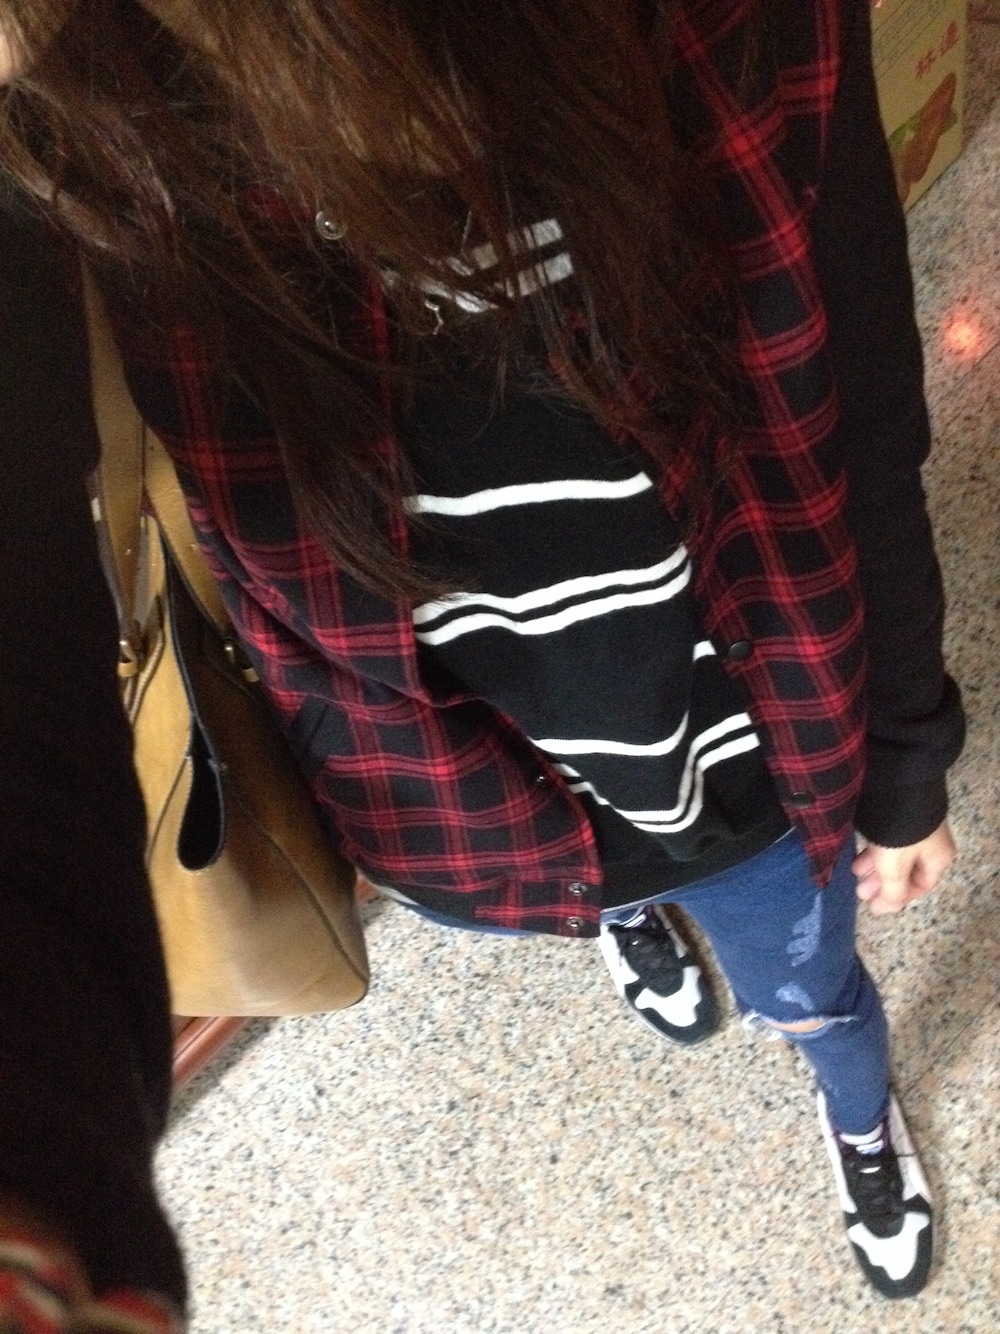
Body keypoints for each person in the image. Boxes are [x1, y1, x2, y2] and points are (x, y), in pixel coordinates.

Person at [0, 0, 965, 1325]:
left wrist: (908, 754)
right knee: (592, 890)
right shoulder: (103, 128)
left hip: (753, 755)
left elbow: (863, 392)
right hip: (478, 791)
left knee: (813, 993)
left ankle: (858, 1122)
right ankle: (626, 919)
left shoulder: (712, 38)